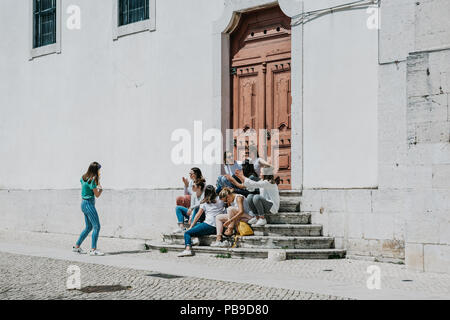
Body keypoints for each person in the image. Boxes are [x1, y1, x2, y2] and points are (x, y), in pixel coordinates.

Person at [178, 185, 225, 257]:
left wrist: (191, 226)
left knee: (187, 233)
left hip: (208, 225)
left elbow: (197, 216)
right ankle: (195, 239)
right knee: (197, 227)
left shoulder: (204, 203)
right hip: (218, 227)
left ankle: (188, 249)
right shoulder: (220, 200)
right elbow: (220, 187)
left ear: (205, 193)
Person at [73, 162, 105, 256]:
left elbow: (84, 185)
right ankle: (93, 250)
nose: (99, 171)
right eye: (99, 169)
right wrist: (101, 189)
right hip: (89, 205)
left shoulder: (83, 177)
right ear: (96, 170)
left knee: (88, 227)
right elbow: (97, 195)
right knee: (97, 226)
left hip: (83, 203)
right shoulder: (92, 180)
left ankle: (76, 247)